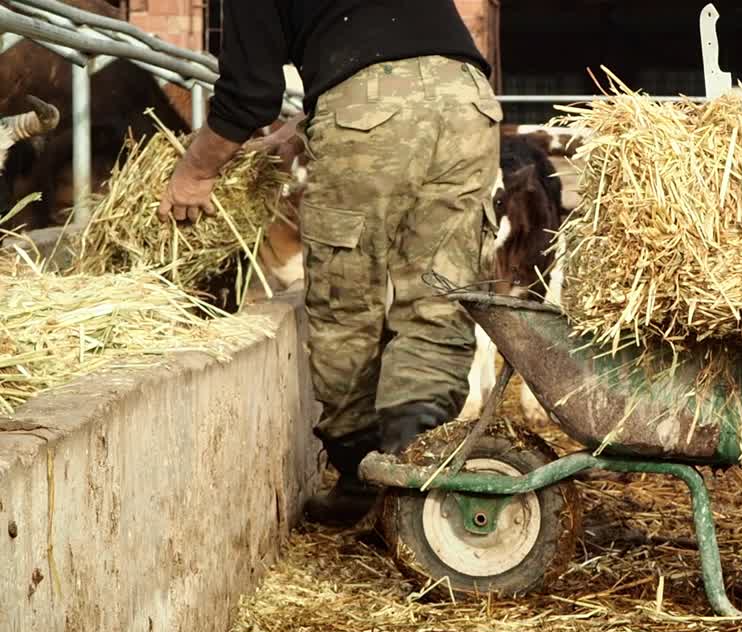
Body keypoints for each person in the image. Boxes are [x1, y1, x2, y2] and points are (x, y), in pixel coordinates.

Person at [159, 0, 503, 528]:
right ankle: (419, 486)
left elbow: (248, 96)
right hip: (467, 100)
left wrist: (195, 171)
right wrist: (314, 120)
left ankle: (363, 483)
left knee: (348, 310)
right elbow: (394, 48)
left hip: (365, 113)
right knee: (438, 302)